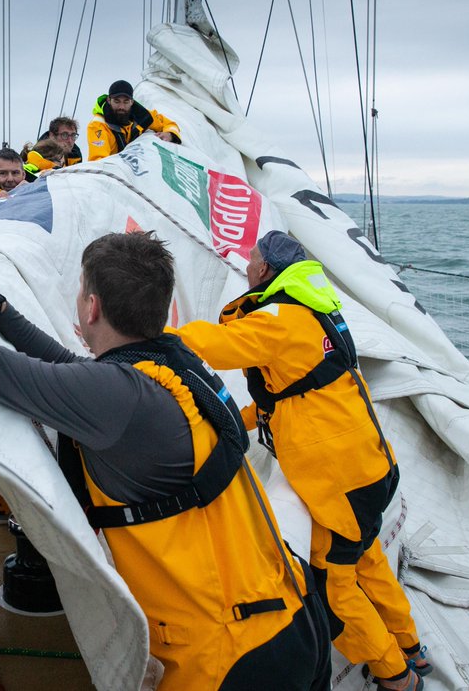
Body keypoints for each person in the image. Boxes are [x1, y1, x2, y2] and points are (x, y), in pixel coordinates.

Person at [0, 231, 332, 690]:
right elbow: (62, 369)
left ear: (90, 306)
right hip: (290, 616)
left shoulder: (118, 397)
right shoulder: (172, 364)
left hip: (229, 659)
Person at [172, 230, 429, 691]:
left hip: (341, 484)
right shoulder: (317, 313)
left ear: (266, 269)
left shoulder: (279, 319)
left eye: (252, 259)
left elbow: (214, 345)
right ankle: (412, 645)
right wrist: (236, 422)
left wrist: (155, 335)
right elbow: (288, 397)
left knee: (335, 589)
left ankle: (396, 674)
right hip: (368, 469)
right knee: (367, 560)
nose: (247, 265)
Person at [86, 80, 182, 162]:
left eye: (126, 101)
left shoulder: (142, 116)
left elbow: (169, 124)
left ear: (132, 102)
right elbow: (98, 161)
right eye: (117, 101)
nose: (121, 107)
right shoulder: (98, 126)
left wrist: (170, 134)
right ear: (108, 100)